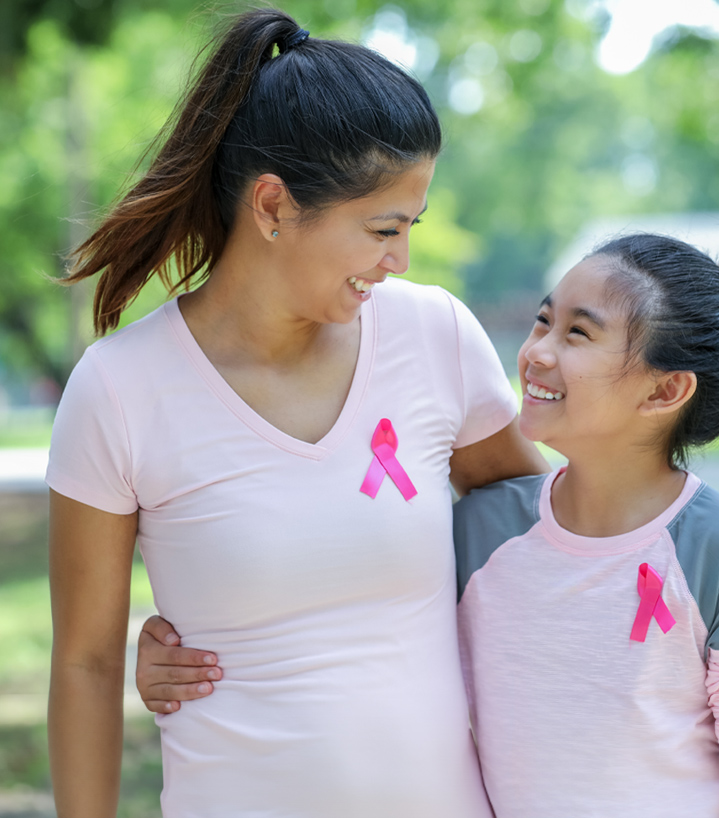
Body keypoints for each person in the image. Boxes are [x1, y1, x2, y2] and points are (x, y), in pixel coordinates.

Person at [46, 8, 547, 818]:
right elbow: (86, 667)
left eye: (410, 228)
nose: (402, 260)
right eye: (383, 229)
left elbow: (548, 539)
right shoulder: (120, 388)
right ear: (274, 206)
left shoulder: (434, 335)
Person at [452, 234, 719, 816]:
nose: (537, 352)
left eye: (577, 333)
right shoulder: (476, 531)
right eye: (544, 321)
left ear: (666, 389)